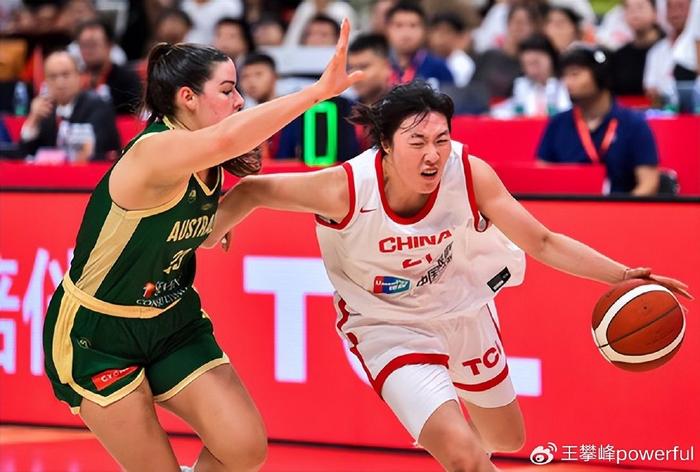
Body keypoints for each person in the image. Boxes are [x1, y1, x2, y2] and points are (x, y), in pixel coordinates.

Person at [202, 81, 691, 471]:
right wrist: (213, 229)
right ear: (385, 146)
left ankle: (460, 441)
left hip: (462, 309)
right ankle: (455, 443)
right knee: (464, 457)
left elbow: (541, 241)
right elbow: (254, 190)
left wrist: (623, 274)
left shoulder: (469, 172)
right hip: (387, 326)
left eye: (441, 140)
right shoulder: (344, 187)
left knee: (506, 438)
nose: (433, 154)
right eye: (417, 142)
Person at [42, 20, 362, 471]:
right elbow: (230, 138)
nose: (239, 100)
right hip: (99, 333)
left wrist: (241, 201)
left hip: (172, 321)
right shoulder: (154, 152)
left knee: (245, 448)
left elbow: (206, 233)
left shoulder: (208, 162)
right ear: (187, 98)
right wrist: (317, 93)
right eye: (228, 90)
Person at [536, 45, 660, 195]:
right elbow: (542, 178)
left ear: (600, 75)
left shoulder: (634, 124)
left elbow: (649, 184)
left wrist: (621, 207)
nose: (568, 83)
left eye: (575, 74)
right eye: (565, 76)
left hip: (620, 204)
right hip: (569, 205)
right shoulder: (557, 124)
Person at [20, 50, 120, 161]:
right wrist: (33, 119)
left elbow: (99, 149)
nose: (60, 83)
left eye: (65, 75)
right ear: (45, 81)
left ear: (78, 76)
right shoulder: (45, 111)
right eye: (53, 77)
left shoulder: (98, 107)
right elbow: (24, 154)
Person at [472, 3, 541, 98]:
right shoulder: (489, 56)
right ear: (507, 24)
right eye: (516, 22)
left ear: (534, 28)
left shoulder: (534, 64)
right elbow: (472, 87)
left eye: (525, 23)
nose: (519, 27)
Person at [493, 33, 570, 117]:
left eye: (536, 63)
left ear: (551, 58)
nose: (532, 71)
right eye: (527, 65)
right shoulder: (522, 86)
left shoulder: (566, 85)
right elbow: (505, 110)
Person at [76, 19, 143, 115]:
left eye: (93, 45)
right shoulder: (75, 80)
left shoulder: (127, 80)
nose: (88, 51)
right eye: (84, 45)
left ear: (109, 45)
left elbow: (135, 116)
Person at [385, 1, 455, 86]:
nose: (406, 33)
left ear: (425, 30)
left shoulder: (438, 68)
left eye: (413, 25)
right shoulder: (379, 67)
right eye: (399, 25)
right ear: (387, 30)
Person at [611, 0, 665, 95]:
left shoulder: (669, 48)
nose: (634, 13)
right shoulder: (620, 55)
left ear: (655, 12)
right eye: (628, 8)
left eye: (640, 7)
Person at [428, 13, 475, 87]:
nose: (439, 37)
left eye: (445, 32)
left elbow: (455, 91)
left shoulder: (462, 64)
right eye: (435, 31)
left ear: (458, 36)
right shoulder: (424, 59)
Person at [347, 33, 393, 105]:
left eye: (363, 67)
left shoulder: (405, 107)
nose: (355, 75)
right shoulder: (345, 108)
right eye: (350, 68)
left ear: (386, 66)